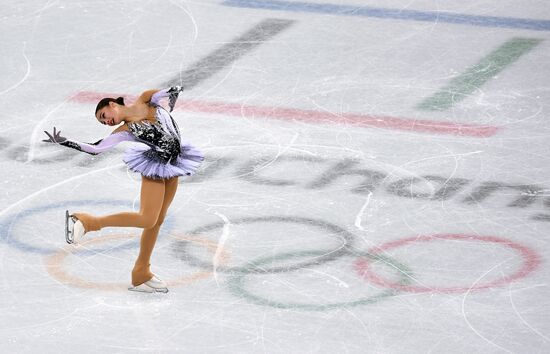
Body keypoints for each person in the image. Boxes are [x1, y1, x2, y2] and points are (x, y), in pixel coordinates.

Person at [42, 86, 204, 293]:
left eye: (104, 116)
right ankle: (87, 222)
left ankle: (141, 272)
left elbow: (160, 94)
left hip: (174, 164)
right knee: (147, 219)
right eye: (103, 122)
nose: (106, 121)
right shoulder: (124, 131)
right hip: (156, 168)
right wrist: (64, 141)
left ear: (112, 104)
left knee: (157, 221)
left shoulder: (145, 100)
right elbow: (96, 148)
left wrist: (173, 91)